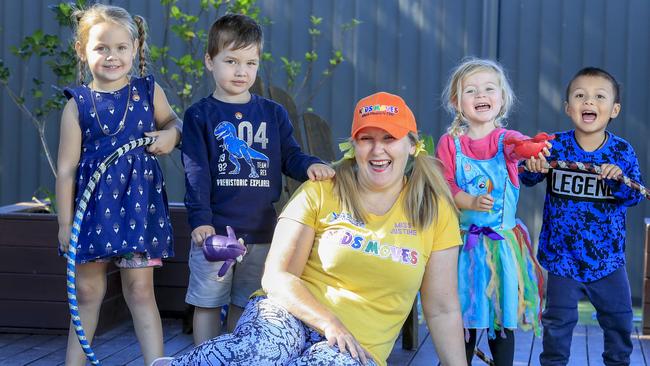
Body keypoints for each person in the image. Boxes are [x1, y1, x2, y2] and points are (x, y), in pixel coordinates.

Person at [152, 91, 467, 366]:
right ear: (353, 146)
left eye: (390, 139)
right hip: (288, 314)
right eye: (367, 139)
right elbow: (277, 276)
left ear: (412, 146)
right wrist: (329, 322)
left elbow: (442, 309)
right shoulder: (322, 190)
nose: (377, 150)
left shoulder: (433, 209)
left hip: (359, 344)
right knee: (263, 352)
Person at [181, 13, 335, 345]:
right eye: (231, 61)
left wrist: (310, 166)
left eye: (250, 63)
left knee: (245, 304)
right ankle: (205, 355)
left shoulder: (272, 113)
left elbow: (290, 156)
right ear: (210, 61)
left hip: (263, 233)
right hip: (216, 233)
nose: (241, 71)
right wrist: (200, 221)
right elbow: (196, 174)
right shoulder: (200, 116)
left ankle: (237, 354)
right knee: (208, 304)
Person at [55, 4, 182, 365]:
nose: (112, 57)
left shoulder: (147, 92)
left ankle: (155, 361)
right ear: (82, 51)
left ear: (136, 48)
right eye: (101, 48)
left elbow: (174, 121)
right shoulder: (77, 105)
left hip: (138, 209)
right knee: (88, 291)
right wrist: (65, 225)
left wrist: (171, 135)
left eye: (121, 48)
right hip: (92, 211)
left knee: (141, 291)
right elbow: (66, 170)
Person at [521, 67, 645, 366]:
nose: (589, 102)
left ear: (614, 109)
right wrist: (532, 167)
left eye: (599, 97)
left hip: (607, 259)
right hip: (562, 257)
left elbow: (634, 195)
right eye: (580, 96)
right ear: (568, 107)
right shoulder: (554, 147)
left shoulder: (621, 152)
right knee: (557, 324)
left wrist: (618, 180)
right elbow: (525, 177)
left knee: (619, 321)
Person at [435, 58, 545, 365]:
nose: (480, 95)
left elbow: (522, 147)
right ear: (457, 102)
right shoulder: (450, 144)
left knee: (501, 316)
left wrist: (536, 149)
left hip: (501, 247)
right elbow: (444, 184)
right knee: (463, 319)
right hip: (462, 247)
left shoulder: (506, 141)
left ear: (502, 99)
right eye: (471, 90)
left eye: (488, 89)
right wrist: (467, 201)